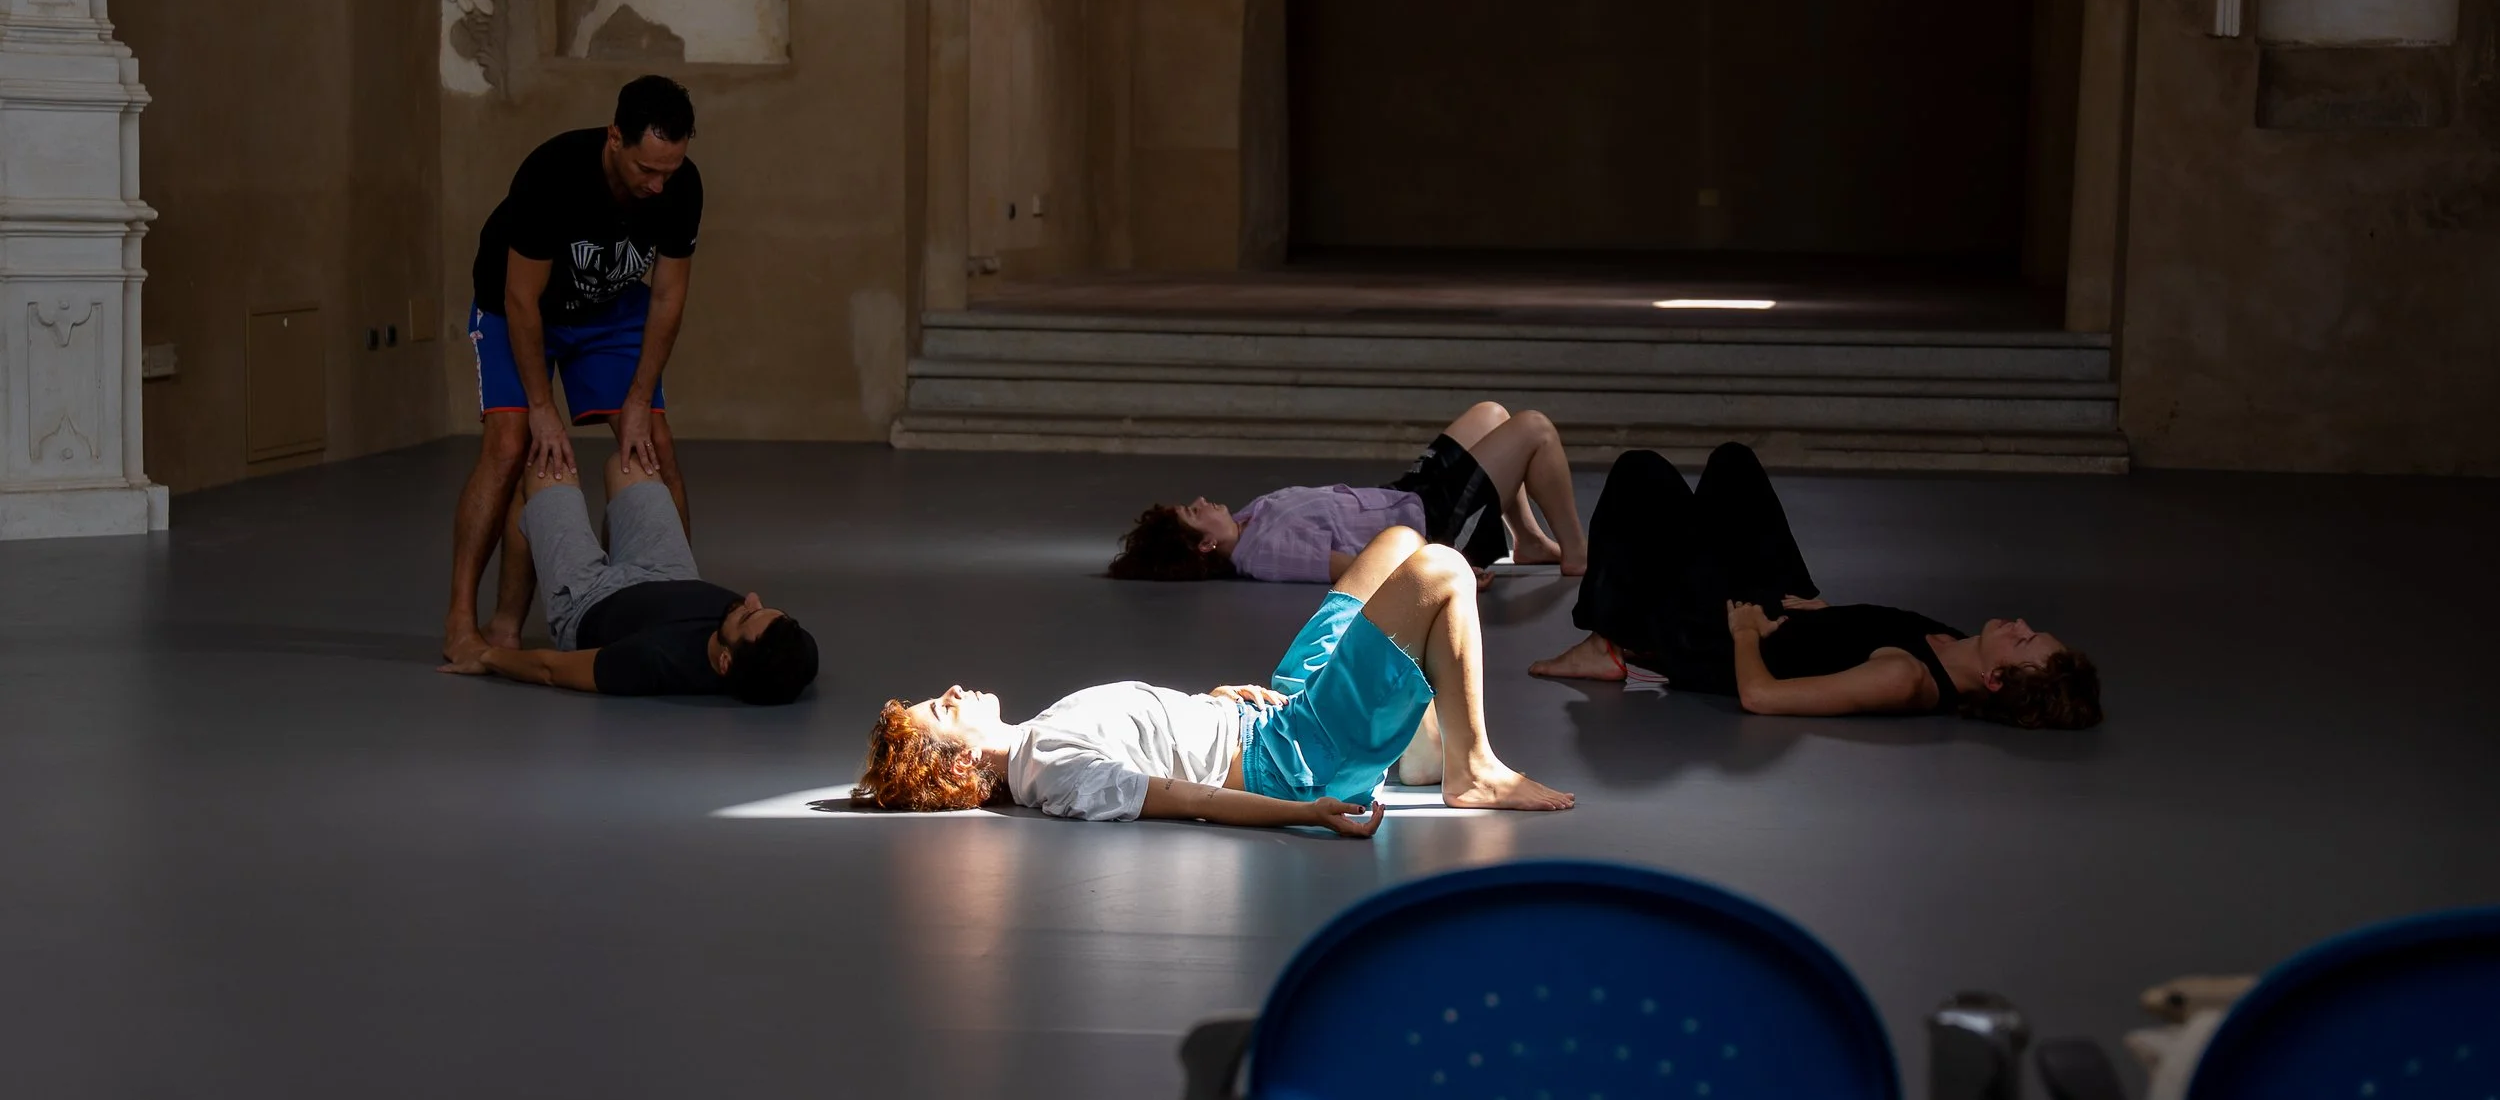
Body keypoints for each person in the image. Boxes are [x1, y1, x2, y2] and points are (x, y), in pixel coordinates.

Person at [854, 527, 1573, 831]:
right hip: (1294, 757)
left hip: (1271, 714)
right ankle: (1471, 768)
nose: (952, 692)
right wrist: (1306, 813)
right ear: (960, 764)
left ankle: (1411, 748)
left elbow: (1161, 737)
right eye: (942, 710)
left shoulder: (1040, 734)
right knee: (1441, 569)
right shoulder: (1055, 770)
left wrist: (1214, 703)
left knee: (1398, 544)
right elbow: (1187, 797)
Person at [1527, 444, 2102, 729]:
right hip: (1781, 615)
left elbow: (1761, 697)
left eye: (2024, 641)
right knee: (1733, 465)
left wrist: (1745, 632)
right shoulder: (1956, 641)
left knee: (1642, 474)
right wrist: (1825, 614)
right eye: (2032, 631)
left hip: (1725, 641)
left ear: (1995, 678)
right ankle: (1636, 622)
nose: (2021, 625)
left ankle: (1607, 639)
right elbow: (1858, 637)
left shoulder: (1907, 680)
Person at [442, 75, 705, 660]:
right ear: (614, 137)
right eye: (647, 170)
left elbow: (667, 298)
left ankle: (674, 608)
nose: (658, 185)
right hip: (519, 308)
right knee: (511, 447)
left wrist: (638, 401)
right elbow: (520, 300)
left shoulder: (681, 186)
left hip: (608, 309)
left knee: (654, 444)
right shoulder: (552, 174)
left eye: (670, 170)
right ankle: (466, 620)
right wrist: (541, 408)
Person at [438, 446, 819, 704]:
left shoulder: (652, 660)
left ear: (724, 663)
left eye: (748, 616)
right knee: (630, 462)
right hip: (670, 572)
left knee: (543, 470)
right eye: (763, 608)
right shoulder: (792, 652)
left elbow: (549, 670)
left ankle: (504, 625)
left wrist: (488, 657)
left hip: (589, 598)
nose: (750, 599)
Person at [1108, 401, 1587, 583]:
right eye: (1194, 513)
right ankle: (1577, 554)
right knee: (1534, 429)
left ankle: (1528, 541)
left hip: (1406, 496)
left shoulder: (1248, 520)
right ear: (1206, 545)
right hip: (1431, 524)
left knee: (1491, 415)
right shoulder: (1266, 552)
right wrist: (1444, 572)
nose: (1201, 502)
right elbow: (1360, 570)